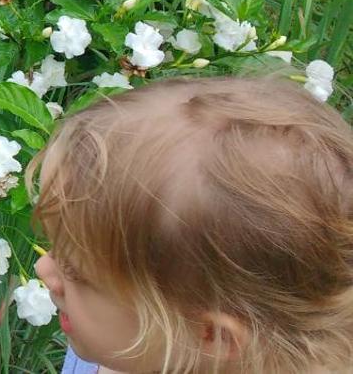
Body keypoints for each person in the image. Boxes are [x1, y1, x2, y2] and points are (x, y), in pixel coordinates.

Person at [27, 74, 353, 373]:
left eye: (75, 272)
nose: (44, 269)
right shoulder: (132, 342)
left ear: (213, 335)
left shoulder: (123, 344)